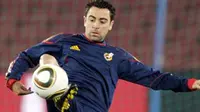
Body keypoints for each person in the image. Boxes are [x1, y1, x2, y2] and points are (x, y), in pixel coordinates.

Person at [5, 0, 200, 112]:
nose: (96, 25)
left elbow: (154, 78)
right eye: (92, 19)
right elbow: (26, 55)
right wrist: (13, 80)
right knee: (46, 57)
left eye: (102, 21)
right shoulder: (64, 41)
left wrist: (188, 83)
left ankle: (63, 96)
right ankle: (61, 95)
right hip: (63, 104)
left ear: (111, 24)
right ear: (84, 20)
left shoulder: (117, 57)